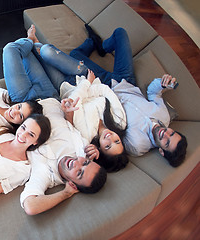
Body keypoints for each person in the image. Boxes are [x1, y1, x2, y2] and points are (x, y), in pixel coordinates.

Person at [39, 26, 187, 167]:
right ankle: (102, 48)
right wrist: (162, 84)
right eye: (172, 133)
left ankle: (91, 42)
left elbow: (109, 143)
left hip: (104, 86)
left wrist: (95, 150)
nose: (165, 134)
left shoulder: (137, 145)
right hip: (126, 81)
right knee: (120, 33)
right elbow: (153, 93)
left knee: (75, 55)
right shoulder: (164, 116)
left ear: (161, 151)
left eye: (167, 142)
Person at [3, 25, 128, 172]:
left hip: (62, 90)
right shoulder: (120, 121)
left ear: (100, 149)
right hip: (83, 78)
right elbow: (105, 90)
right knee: (46, 51)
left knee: (29, 55)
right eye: (116, 141)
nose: (110, 137)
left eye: (108, 145)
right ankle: (33, 41)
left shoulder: (85, 135)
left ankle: (31, 41)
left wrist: (85, 91)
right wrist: (87, 84)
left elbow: (73, 105)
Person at [20, 98, 107, 215]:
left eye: (79, 173)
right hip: (52, 99)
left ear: (73, 184)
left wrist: (66, 193)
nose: (77, 163)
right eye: (85, 163)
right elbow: (69, 128)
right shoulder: (82, 150)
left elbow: (30, 206)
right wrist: (68, 113)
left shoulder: (46, 173)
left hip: (24, 104)